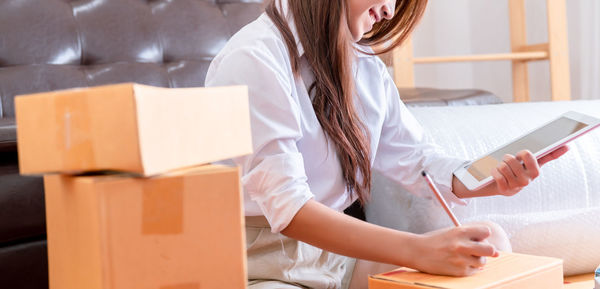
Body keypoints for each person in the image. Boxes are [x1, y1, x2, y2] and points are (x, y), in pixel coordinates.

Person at [205, 0, 569, 288]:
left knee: (489, 242)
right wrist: (418, 251)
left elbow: (418, 161)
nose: (391, 11)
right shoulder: (253, 59)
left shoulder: (362, 63)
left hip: (335, 255)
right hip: (259, 262)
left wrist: (491, 176)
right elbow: (291, 211)